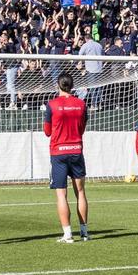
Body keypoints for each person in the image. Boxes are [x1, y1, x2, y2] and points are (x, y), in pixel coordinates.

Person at [44, 75, 90, 243]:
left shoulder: (52, 105)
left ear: (58, 85)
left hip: (59, 153)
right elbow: (82, 128)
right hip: (76, 150)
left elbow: (47, 131)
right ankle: (84, 232)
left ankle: (68, 234)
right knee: (81, 192)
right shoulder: (81, 104)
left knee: (61, 195)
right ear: (72, 86)